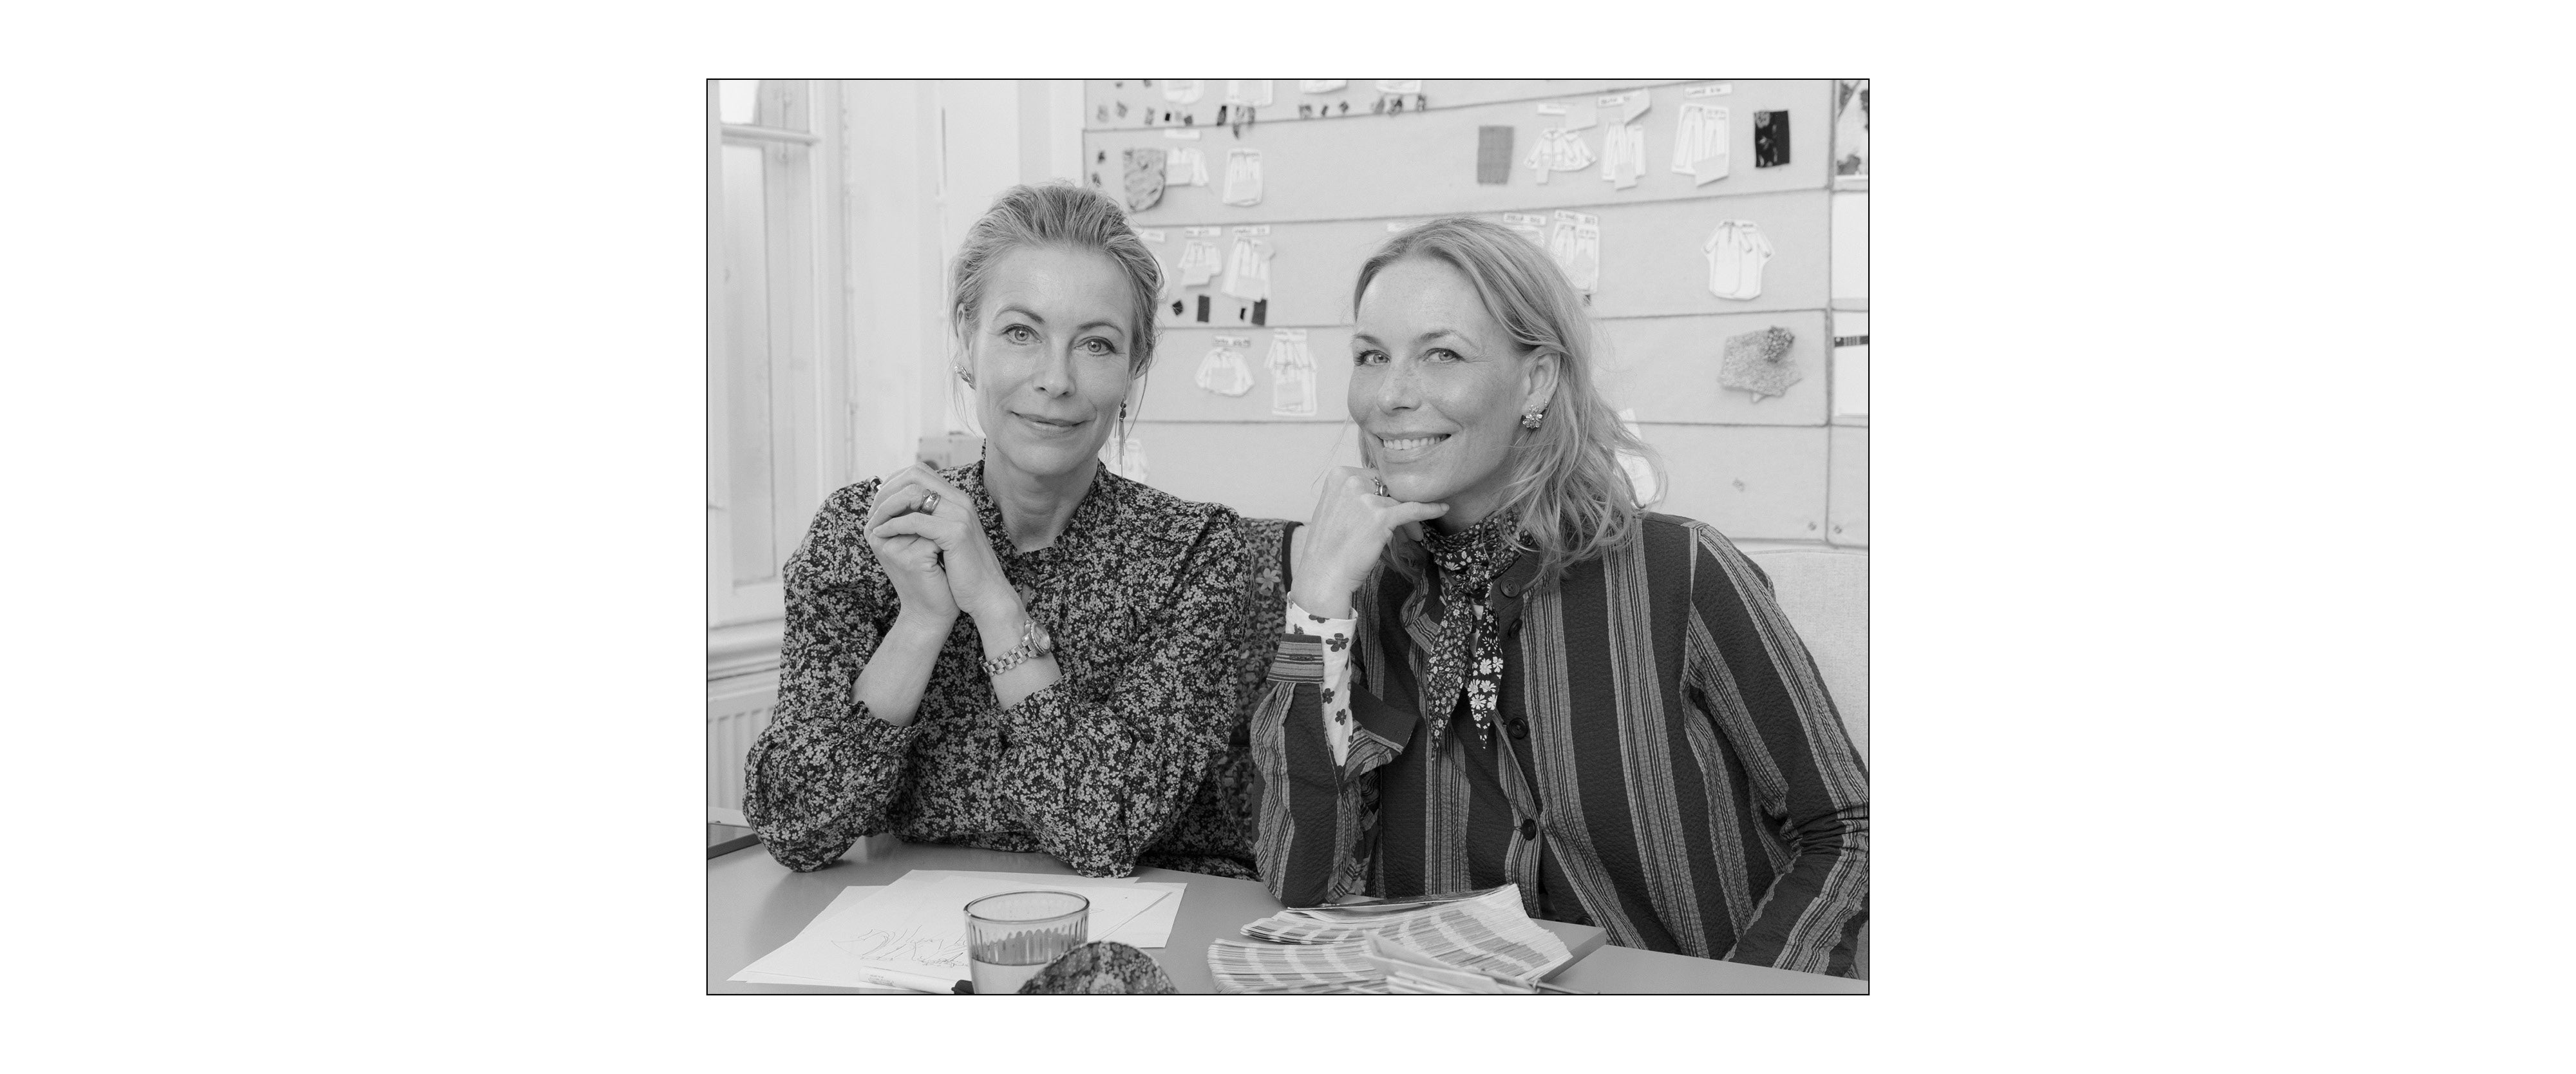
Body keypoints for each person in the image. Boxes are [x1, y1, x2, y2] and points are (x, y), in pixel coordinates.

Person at [1251, 217, 1869, 976]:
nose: (1389, 394)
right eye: (1370, 356)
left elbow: (1847, 829)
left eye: (1440, 353)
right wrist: (1317, 608)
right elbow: (1303, 883)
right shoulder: (1360, 596)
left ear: (1536, 381)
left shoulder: (1679, 573)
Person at [743, 183, 1285, 879]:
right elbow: (796, 825)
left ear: (1134, 369)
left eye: (1095, 343)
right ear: (966, 342)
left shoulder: (1198, 555)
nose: (1054, 379)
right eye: (1020, 333)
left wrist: (995, 603)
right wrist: (919, 621)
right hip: (912, 945)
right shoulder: (867, 535)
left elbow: (1104, 827)